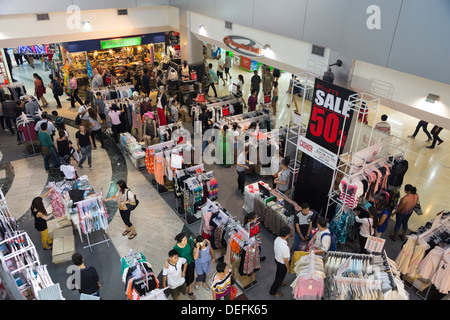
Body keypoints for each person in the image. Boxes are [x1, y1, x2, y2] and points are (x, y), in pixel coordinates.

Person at [173, 233, 197, 299]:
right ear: (179, 242)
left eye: (186, 239)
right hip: (182, 266)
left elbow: (194, 241)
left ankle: (190, 290)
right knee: (182, 278)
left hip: (190, 263)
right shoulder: (176, 248)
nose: (186, 241)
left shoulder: (188, 241)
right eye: (184, 240)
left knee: (191, 277)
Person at [269, 225, 291, 297]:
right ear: (287, 235)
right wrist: (288, 268)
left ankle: (281, 282)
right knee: (278, 278)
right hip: (282, 264)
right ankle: (273, 291)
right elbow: (286, 260)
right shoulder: (285, 248)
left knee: (279, 274)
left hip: (277, 259)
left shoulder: (277, 239)